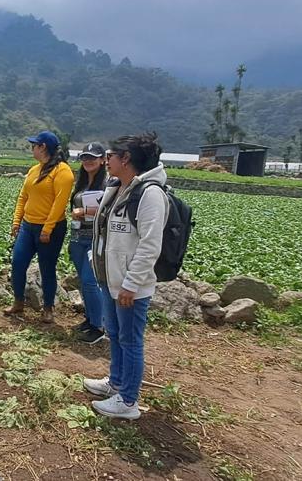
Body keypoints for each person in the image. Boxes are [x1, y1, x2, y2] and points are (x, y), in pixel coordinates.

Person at [84, 133, 169, 420]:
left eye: (112, 154)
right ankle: (116, 383)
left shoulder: (150, 194)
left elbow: (149, 245)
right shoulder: (117, 187)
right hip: (110, 279)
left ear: (127, 159)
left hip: (130, 286)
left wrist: (131, 284)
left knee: (131, 340)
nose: (107, 160)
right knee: (116, 334)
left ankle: (129, 401)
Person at [4, 130, 74, 323]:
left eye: (34, 145)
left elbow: (60, 203)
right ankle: (18, 302)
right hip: (28, 226)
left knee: (47, 268)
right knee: (18, 263)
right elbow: (23, 197)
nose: (32, 148)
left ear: (43, 147)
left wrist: (47, 229)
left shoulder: (63, 171)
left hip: (50, 229)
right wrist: (17, 221)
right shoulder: (34, 170)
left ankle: (48, 307)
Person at [68, 142, 107, 344]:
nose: (88, 161)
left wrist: (85, 212)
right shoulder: (81, 183)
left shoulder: (109, 184)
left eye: (93, 157)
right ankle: (90, 320)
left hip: (96, 239)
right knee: (83, 281)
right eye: (84, 157)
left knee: (91, 281)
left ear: (103, 160)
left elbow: (110, 211)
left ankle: (99, 326)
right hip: (77, 238)